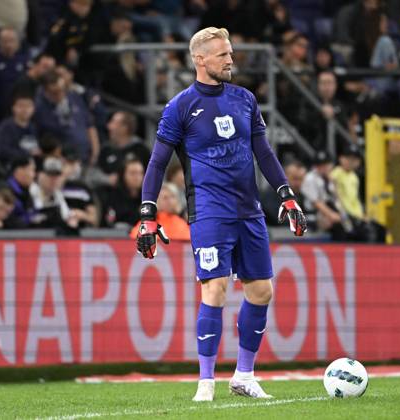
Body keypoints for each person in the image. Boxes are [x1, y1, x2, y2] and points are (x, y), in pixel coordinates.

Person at [135, 27, 307, 402]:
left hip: (250, 212)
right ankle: (206, 382)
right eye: (222, 54)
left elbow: (264, 153)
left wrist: (287, 196)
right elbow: (157, 162)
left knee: (262, 291)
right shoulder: (180, 106)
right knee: (215, 289)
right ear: (200, 60)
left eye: (230, 53)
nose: (231, 59)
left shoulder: (245, 99)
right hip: (210, 211)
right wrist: (149, 213)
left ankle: (244, 375)